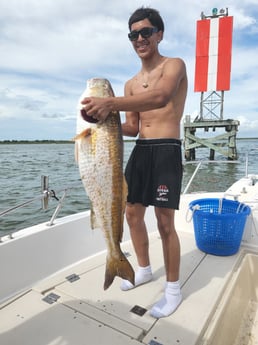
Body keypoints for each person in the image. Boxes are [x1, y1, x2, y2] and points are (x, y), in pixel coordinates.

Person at [81, 7, 187, 318]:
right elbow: (131, 127)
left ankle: (173, 291)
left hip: (166, 149)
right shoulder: (129, 83)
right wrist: (95, 122)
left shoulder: (174, 65)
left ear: (159, 34)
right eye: (134, 34)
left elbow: (161, 98)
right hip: (141, 150)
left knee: (165, 223)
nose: (139, 38)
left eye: (146, 32)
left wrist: (109, 103)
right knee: (131, 214)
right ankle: (143, 269)